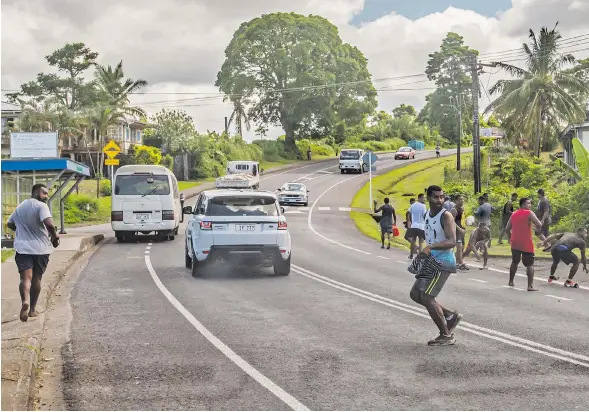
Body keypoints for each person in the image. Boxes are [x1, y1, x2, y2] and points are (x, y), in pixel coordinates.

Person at [409, 185, 461, 346]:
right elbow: (431, 235)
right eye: (436, 197)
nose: (440, 200)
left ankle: (446, 335)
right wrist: (424, 251)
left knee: (427, 296)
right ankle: (449, 316)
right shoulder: (427, 214)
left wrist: (430, 247)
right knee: (415, 294)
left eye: (442, 197)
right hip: (431, 259)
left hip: (443, 261)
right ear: (428, 197)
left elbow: (452, 241)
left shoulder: (445, 216)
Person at [7, 184, 59, 322]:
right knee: (37, 278)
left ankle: (25, 301)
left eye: (47, 194)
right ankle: (32, 310)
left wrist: (22, 230)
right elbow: (49, 224)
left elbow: (10, 223)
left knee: (25, 278)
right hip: (41, 249)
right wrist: (54, 236)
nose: (46, 197)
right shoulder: (41, 206)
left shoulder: (21, 206)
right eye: (44, 193)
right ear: (36, 192)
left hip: (22, 248)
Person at [505, 197, 543, 291]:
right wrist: (536, 228)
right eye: (528, 203)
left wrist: (510, 237)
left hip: (515, 242)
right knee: (530, 264)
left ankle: (511, 281)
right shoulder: (529, 213)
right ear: (523, 204)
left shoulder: (514, 214)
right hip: (526, 242)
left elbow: (507, 229)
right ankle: (530, 286)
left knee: (515, 261)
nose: (530, 205)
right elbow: (539, 224)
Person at [450, 195, 468, 271]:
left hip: (462, 230)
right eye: (460, 199)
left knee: (462, 246)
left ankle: (457, 262)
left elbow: (463, 219)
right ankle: (460, 263)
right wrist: (459, 229)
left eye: (463, 199)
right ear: (456, 201)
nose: (462, 201)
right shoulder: (454, 210)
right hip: (457, 230)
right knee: (459, 246)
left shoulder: (462, 209)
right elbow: (452, 221)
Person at [406, 193, 427, 259]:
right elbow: (424, 215)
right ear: (420, 198)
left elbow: (407, 213)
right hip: (421, 226)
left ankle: (411, 255)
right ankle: (420, 257)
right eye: (423, 198)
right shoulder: (423, 206)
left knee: (413, 240)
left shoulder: (413, 205)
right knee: (421, 242)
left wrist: (408, 221)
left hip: (414, 225)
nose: (424, 199)